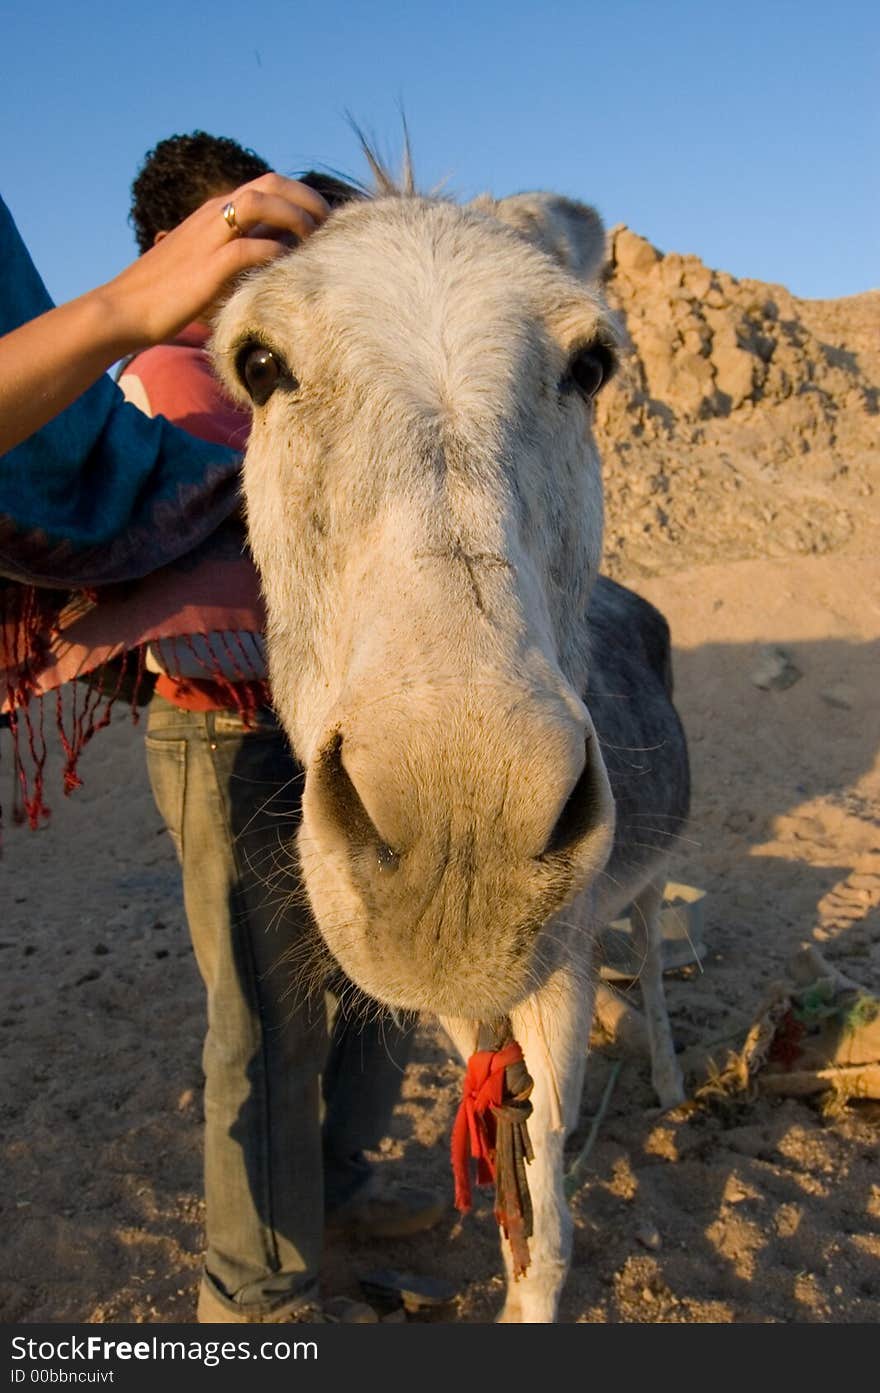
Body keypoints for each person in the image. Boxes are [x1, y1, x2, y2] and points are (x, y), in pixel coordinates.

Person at [116, 132, 439, 1324]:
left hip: (328, 723)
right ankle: (255, 1299)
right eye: (245, 232)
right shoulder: (156, 375)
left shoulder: (289, 370)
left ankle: (339, 1191)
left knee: (380, 981)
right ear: (171, 248)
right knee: (263, 1023)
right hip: (221, 730)